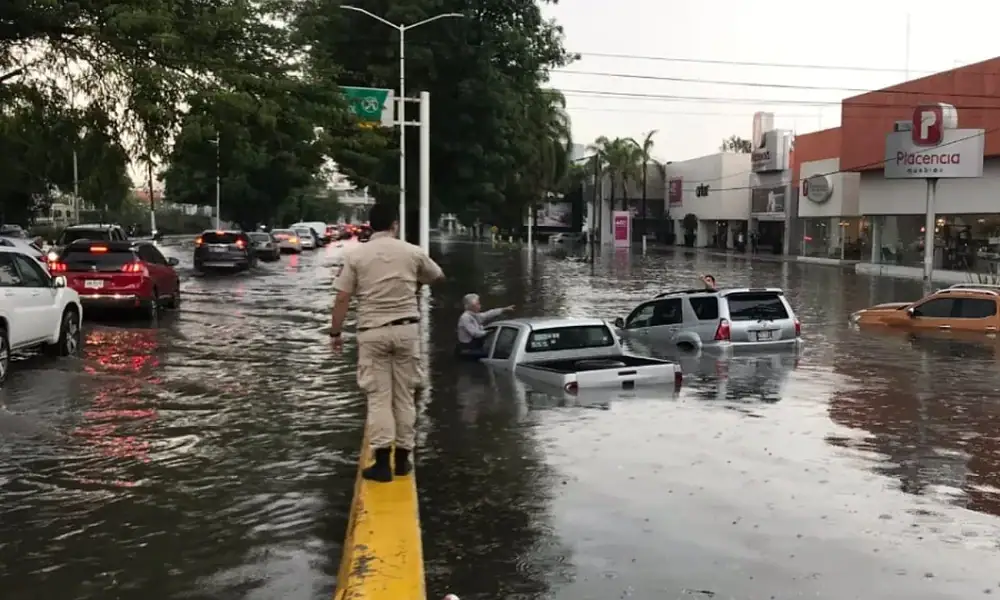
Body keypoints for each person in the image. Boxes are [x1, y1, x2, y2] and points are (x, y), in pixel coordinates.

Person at [329, 203, 445, 483]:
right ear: (395, 224)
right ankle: (404, 459)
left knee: (379, 397)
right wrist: (414, 284)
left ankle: (382, 464)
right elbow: (438, 277)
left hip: (372, 332)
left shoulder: (355, 256)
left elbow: (343, 297)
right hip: (406, 330)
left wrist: (335, 333)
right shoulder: (412, 252)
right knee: (405, 396)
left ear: (369, 225)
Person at [455, 294, 515, 358]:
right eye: (478, 304)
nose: (480, 305)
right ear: (471, 306)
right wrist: (488, 332)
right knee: (495, 354)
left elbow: (488, 314)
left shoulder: (475, 315)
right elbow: (475, 333)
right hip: (467, 349)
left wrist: (504, 309)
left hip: (475, 345)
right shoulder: (465, 318)